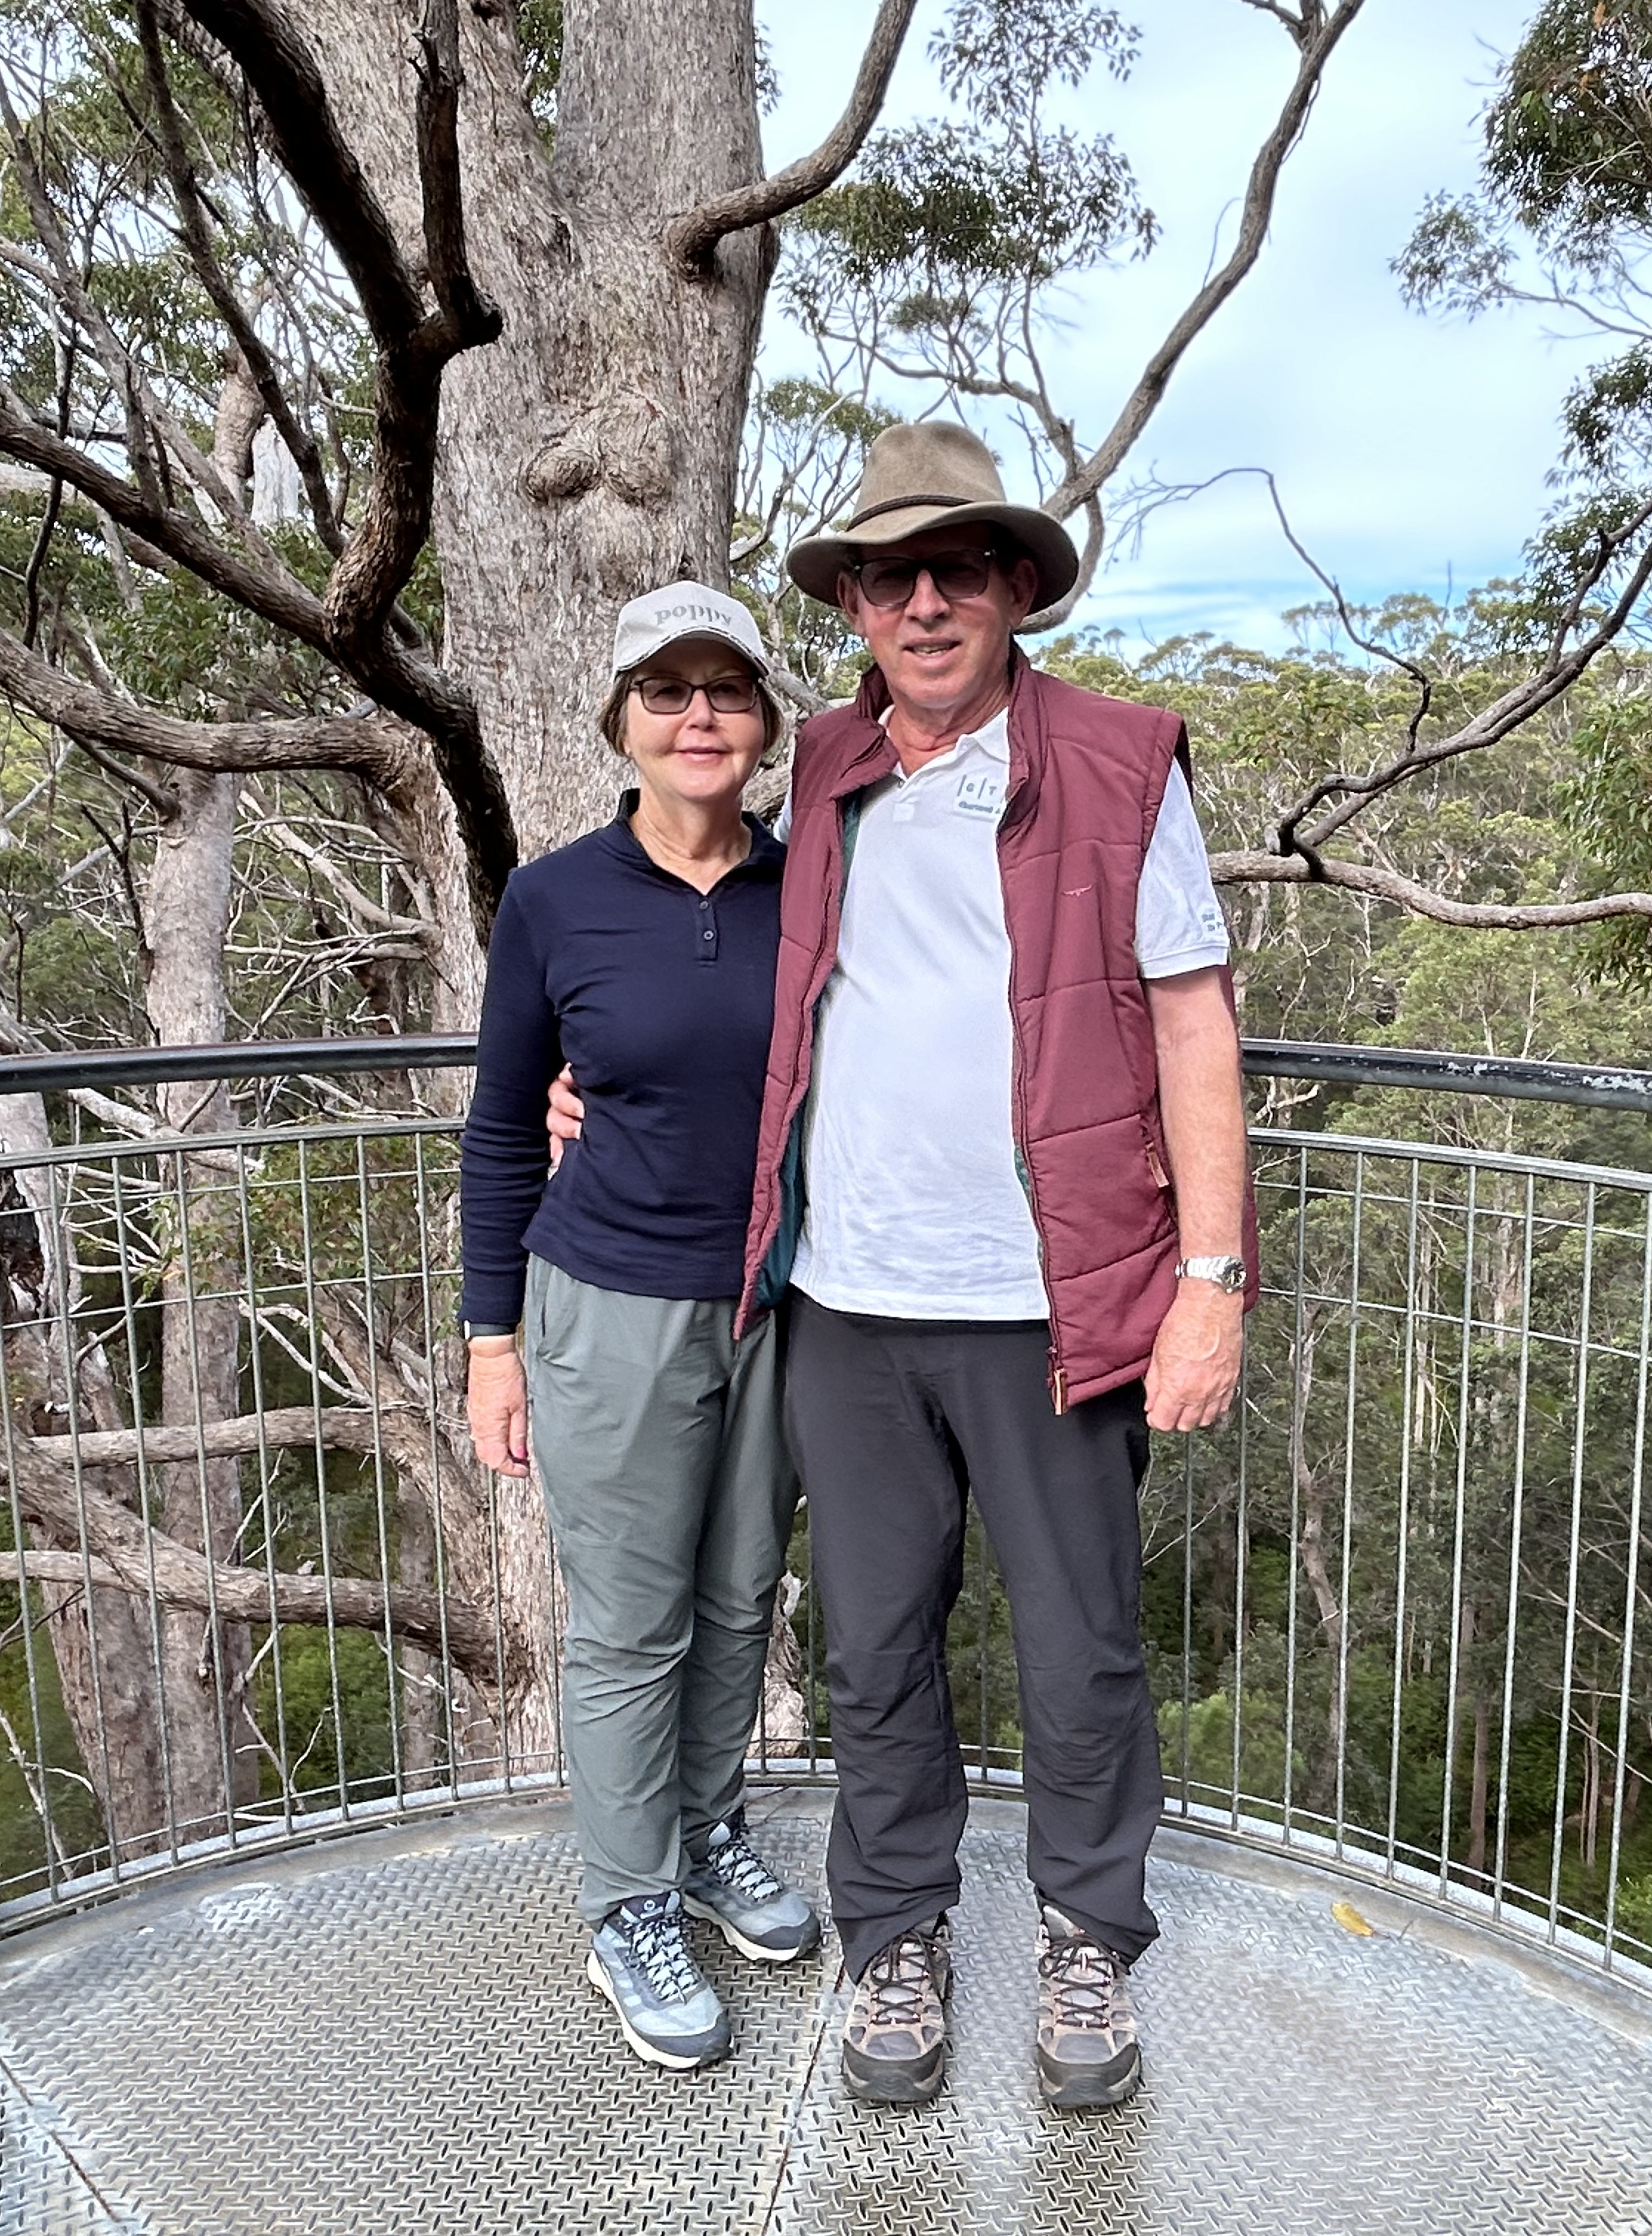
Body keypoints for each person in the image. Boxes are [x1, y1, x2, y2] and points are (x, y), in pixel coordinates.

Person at [745, 421, 1257, 2110]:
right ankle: (895, 1933)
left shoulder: (1118, 763)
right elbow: (739, 957)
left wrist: (1209, 1283)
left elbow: (1192, 1022)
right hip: (847, 1303)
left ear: (1015, 587)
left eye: (956, 569)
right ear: (855, 606)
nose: (924, 602)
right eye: (890, 576)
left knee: (1080, 1645)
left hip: (1054, 1304)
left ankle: (1088, 1936)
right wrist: (581, 1078)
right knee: (875, 1644)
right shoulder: (824, 767)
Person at [458, 580, 818, 2073]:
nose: (699, 717)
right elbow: (501, 1127)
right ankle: (628, 1907)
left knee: (739, 1600)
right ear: (622, 723)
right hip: (606, 1306)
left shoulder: (815, 888)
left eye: (726, 690)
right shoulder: (555, 901)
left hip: (776, 1305)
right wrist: (490, 1344)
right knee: (627, 1625)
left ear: (765, 723)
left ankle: (706, 1829)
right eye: (667, 692)